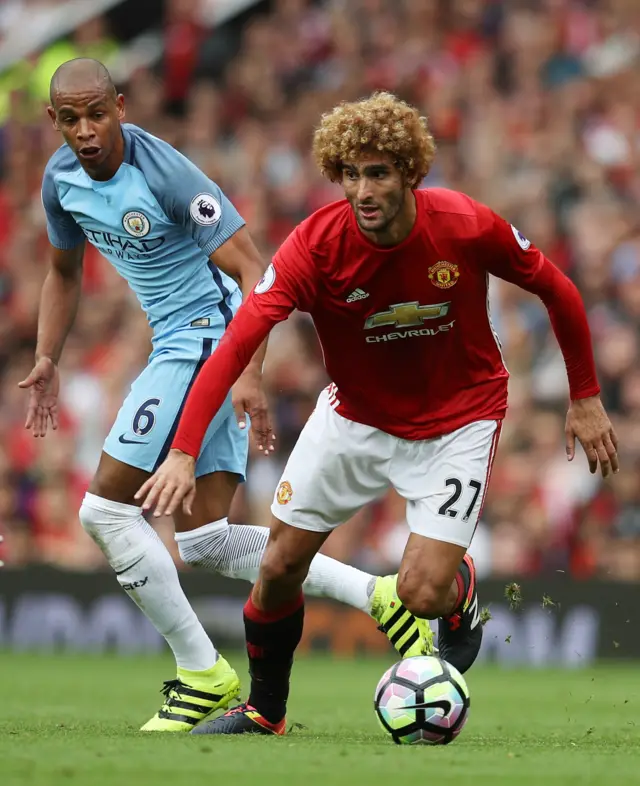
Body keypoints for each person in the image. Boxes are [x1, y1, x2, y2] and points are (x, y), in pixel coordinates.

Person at [137, 91, 619, 737]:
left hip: (459, 418)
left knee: (420, 592)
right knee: (279, 564)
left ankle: (457, 590)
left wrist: (585, 395)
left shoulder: (465, 224)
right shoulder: (314, 247)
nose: (362, 190)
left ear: (410, 173)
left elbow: (555, 287)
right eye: (351, 174)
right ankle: (265, 711)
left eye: (378, 173)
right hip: (354, 417)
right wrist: (182, 449)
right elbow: (239, 340)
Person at [21, 65, 433, 733]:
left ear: (120, 106)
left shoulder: (166, 174)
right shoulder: (60, 180)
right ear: (54, 121)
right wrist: (46, 356)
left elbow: (253, 267)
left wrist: (248, 367)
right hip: (175, 344)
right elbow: (63, 272)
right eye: (70, 119)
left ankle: (201, 672)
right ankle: (380, 594)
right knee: (207, 542)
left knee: (103, 512)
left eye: (96, 113)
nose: (86, 130)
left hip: (206, 339)